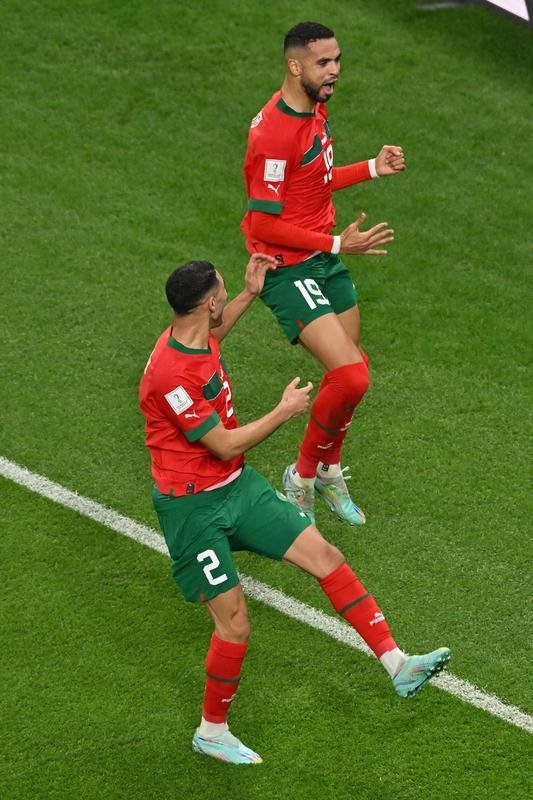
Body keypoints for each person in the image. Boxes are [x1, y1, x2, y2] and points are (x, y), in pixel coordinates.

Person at [139, 255, 451, 766]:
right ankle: (211, 731)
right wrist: (284, 411)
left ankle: (398, 664)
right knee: (235, 623)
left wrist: (249, 292)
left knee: (325, 555)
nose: (225, 299)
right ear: (207, 303)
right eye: (223, 291)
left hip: (238, 488)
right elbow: (222, 442)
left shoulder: (193, 333)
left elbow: (214, 336)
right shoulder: (172, 376)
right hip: (193, 509)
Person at [241, 21, 406, 526]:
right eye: (322, 62)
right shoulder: (273, 134)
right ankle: (300, 479)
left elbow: (315, 176)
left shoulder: (315, 109)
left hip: (324, 256)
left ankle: (325, 469)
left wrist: (371, 168)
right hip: (286, 267)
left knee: (353, 372)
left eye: (337, 60)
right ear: (295, 65)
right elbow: (266, 220)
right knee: (350, 375)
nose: (334, 70)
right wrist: (340, 242)